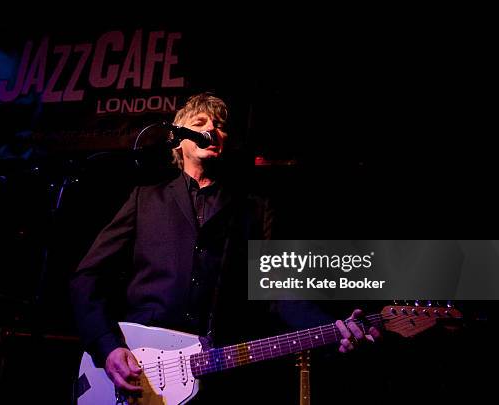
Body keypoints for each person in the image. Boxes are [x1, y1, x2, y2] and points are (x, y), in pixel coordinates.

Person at [69, 92, 380, 401]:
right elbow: (87, 277)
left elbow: (279, 294)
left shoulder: (254, 208)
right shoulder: (146, 199)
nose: (211, 129)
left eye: (219, 125)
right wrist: (107, 346)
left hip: (218, 376)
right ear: (179, 140)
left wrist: (333, 326)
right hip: (141, 368)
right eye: (200, 122)